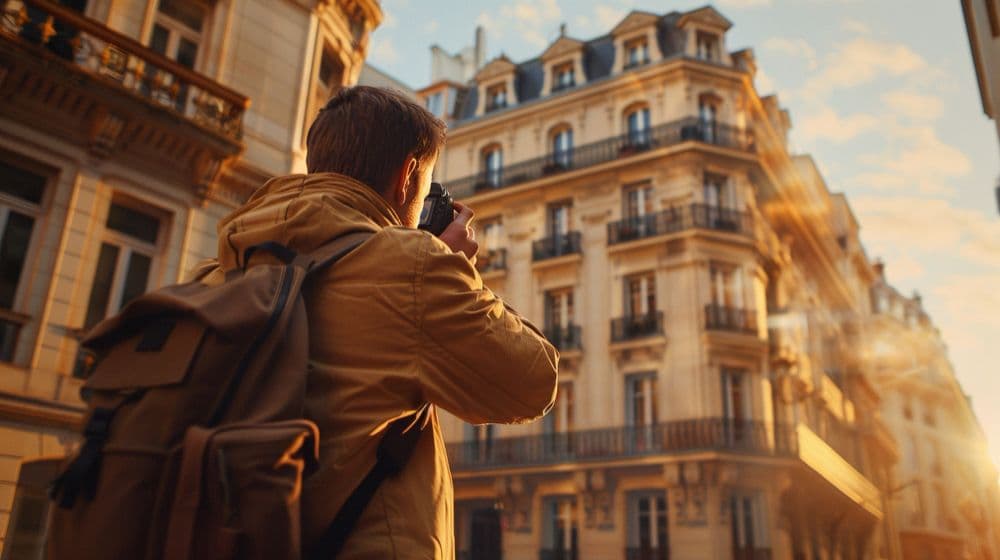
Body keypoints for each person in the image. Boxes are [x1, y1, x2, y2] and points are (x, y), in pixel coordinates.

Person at [209, 86, 559, 559]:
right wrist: (451, 266)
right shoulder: (413, 267)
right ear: (408, 175)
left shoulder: (220, 269)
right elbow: (534, 381)